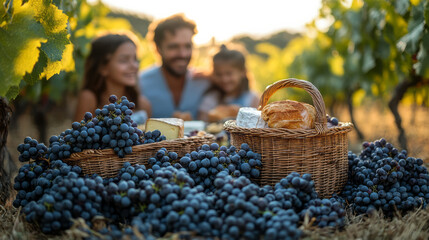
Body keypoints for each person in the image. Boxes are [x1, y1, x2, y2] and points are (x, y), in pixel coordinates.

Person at [139, 14, 210, 120]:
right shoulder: (140, 84)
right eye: (174, 47)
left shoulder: (205, 82)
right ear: (158, 49)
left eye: (188, 46)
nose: (183, 54)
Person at [74, 33, 151, 123]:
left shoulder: (142, 104)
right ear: (103, 67)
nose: (134, 66)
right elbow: (79, 133)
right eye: (124, 60)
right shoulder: (89, 98)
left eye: (135, 59)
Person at [198, 45, 259, 122]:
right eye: (219, 74)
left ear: (243, 72)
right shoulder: (211, 99)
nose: (224, 79)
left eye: (229, 74)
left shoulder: (252, 99)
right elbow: (202, 123)